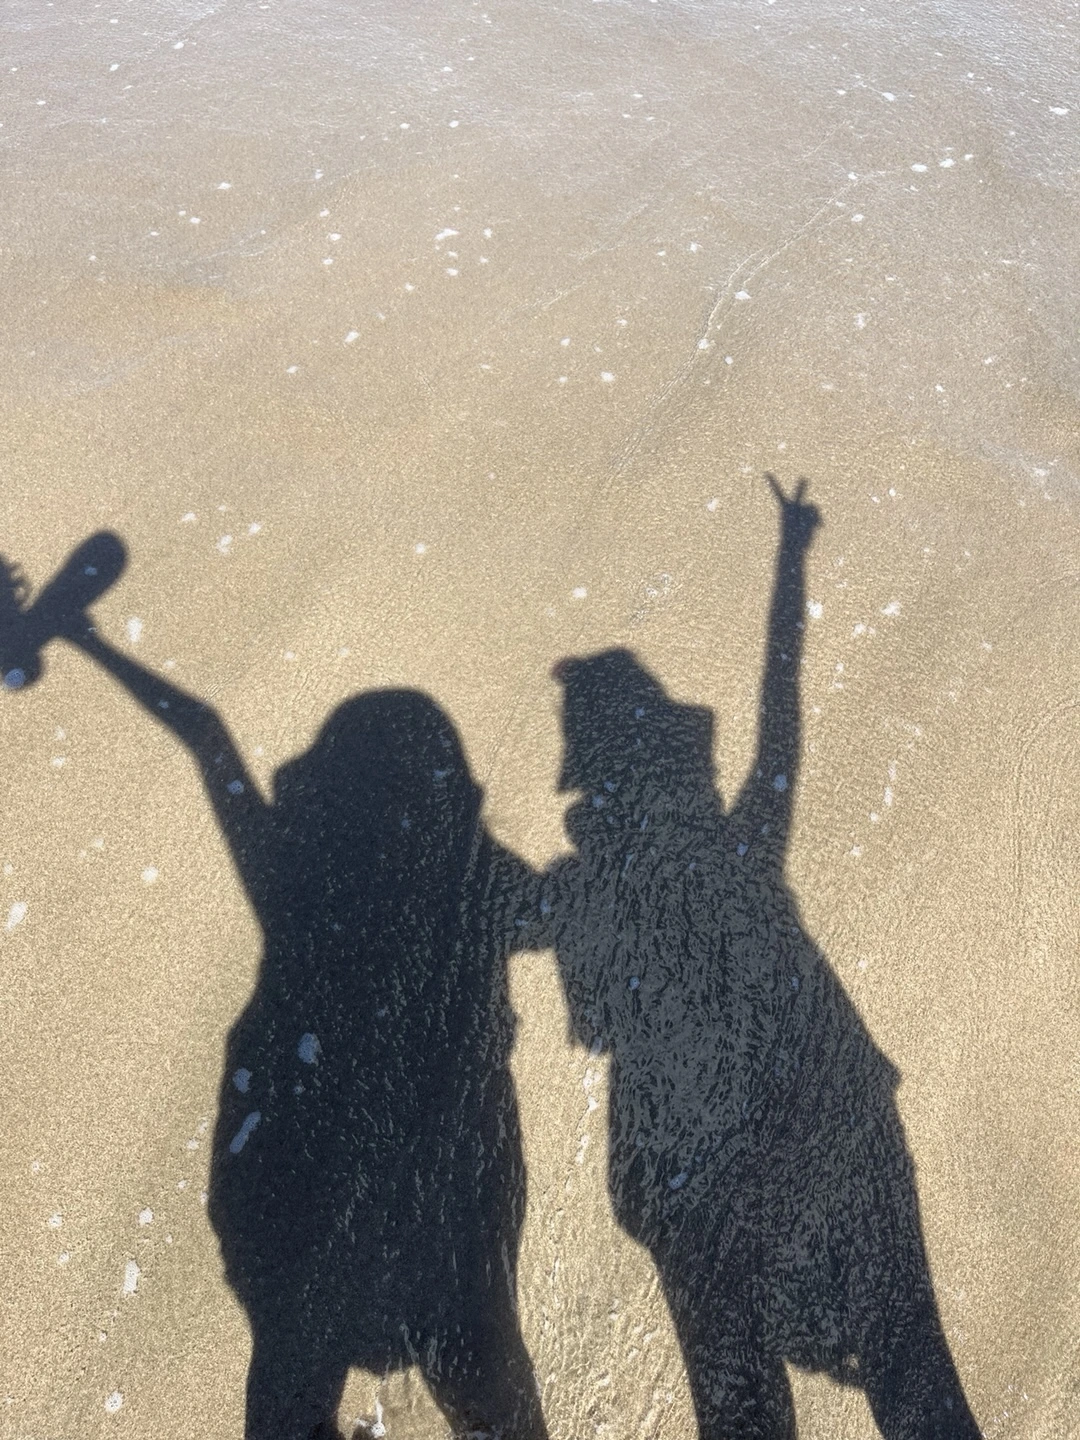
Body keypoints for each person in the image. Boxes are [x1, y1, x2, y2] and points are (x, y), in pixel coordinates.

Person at [24, 545, 547, 1440]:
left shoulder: (295, 884)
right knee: (496, 1402)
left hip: (301, 1204)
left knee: (288, 1400)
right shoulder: (487, 894)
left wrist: (84, 637)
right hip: (450, 1217)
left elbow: (207, 739)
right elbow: (597, 905)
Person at [534, 478, 982, 1439]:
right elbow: (782, 723)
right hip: (834, 1108)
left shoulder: (579, 895)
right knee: (914, 1371)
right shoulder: (743, 850)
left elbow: (519, 943)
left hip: (698, 1175)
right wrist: (791, 554)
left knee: (742, 1411)